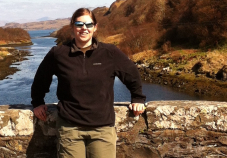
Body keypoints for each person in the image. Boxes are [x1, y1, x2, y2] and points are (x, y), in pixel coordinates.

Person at [31, 8, 146, 158]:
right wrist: (38, 102)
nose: (84, 28)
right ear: (72, 27)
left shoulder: (109, 53)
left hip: (103, 129)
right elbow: (41, 78)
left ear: (95, 27)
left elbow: (131, 73)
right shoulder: (58, 53)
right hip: (70, 128)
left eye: (88, 24)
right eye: (79, 24)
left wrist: (137, 98)